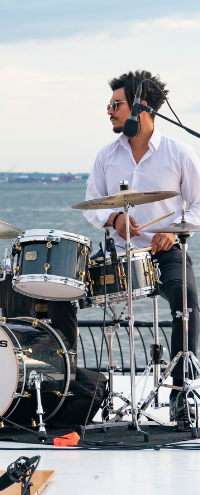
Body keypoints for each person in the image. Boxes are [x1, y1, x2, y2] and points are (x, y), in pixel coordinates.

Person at [83, 70, 200, 426]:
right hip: (118, 252)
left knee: (188, 301)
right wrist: (115, 219)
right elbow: (92, 204)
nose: (109, 111)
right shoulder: (106, 155)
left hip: (164, 251)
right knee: (62, 291)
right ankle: (63, 393)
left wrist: (176, 231)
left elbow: (197, 206)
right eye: (109, 105)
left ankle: (183, 394)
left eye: (115, 104)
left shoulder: (179, 153)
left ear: (140, 107)